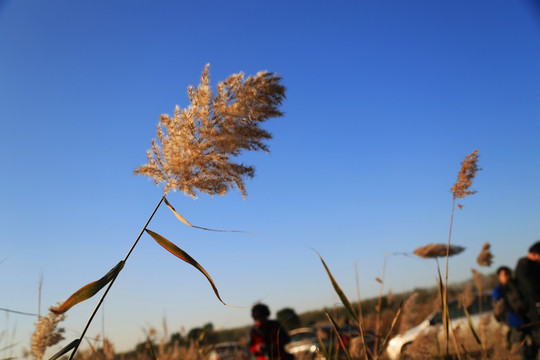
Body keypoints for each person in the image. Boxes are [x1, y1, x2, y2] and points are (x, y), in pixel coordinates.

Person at [492, 266, 529, 358]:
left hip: (527, 319)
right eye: (504, 275)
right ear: (499, 277)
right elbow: (497, 307)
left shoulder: (517, 286)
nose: (507, 276)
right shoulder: (498, 291)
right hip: (513, 322)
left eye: (508, 274)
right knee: (521, 348)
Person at [515, 241, 540, 357]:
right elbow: (532, 290)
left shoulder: (530, 265)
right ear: (535, 253)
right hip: (535, 310)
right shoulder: (525, 266)